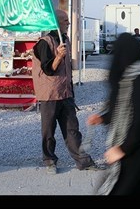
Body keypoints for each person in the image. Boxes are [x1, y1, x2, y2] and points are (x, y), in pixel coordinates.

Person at [87, 33, 140, 195]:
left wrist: (122, 149)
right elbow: (121, 110)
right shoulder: (127, 77)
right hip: (130, 152)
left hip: (138, 153)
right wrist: (102, 118)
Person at [32, 9, 101, 175]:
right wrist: (58, 56)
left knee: (72, 129)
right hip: (50, 94)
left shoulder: (66, 40)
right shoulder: (44, 43)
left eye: (68, 21)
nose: (68, 23)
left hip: (66, 93)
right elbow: (48, 69)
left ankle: (83, 162)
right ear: (56, 22)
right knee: (48, 130)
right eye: (65, 21)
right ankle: (49, 161)